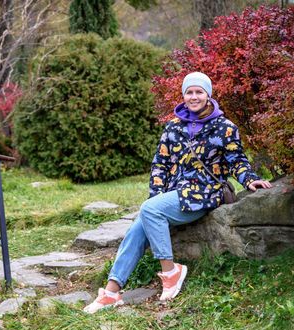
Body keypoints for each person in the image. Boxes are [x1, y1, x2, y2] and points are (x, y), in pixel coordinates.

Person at [84, 72, 272, 314]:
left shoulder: (225, 127)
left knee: (149, 211)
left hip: (205, 193)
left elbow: (237, 161)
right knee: (140, 224)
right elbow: (159, 164)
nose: (194, 97)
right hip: (175, 193)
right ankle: (111, 291)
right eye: (189, 92)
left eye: (199, 92)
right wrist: (157, 197)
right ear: (183, 96)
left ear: (208, 95)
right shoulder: (173, 127)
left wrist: (251, 180)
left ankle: (171, 271)